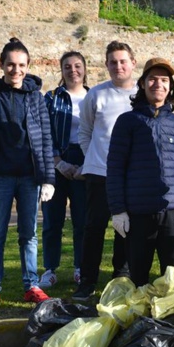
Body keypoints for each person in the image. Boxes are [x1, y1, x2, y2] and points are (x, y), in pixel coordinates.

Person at [0, 37, 54, 311]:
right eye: (10, 65)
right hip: (0, 177)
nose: (16, 70)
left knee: (29, 234)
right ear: (1, 65)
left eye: (21, 65)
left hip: (30, 178)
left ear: (28, 67)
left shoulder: (36, 98)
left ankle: (31, 285)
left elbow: (45, 140)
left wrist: (48, 178)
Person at [107, 58, 174, 287]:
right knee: (139, 276)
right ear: (143, 84)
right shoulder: (127, 122)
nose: (159, 84)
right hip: (138, 211)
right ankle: (140, 319)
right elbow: (115, 168)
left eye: (164, 80)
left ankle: (169, 319)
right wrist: (118, 210)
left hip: (172, 209)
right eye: (153, 79)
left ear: (170, 87)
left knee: (172, 275)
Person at [73, 41, 137, 301]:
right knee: (94, 228)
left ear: (133, 62)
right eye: (113, 62)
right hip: (100, 173)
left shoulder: (142, 95)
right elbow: (85, 132)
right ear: (107, 65)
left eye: (123, 61)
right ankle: (86, 282)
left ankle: (120, 278)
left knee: (126, 229)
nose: (118, 66)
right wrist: (94, 158)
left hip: (132, 176)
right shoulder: (96, 95)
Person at [38, 51, 89, 289]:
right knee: (52, 219)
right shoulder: (51, 98)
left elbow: (100, 135)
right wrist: (58, 161)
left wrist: (87, 165)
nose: (73, 70)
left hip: (86, 159)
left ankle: (81, 266)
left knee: (82, 219)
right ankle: (50, 269)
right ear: (61, 70)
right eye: (67, 66)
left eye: (77, 66)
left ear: (85, 69)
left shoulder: (93, 97)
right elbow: (43, 132)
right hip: (56, 159)